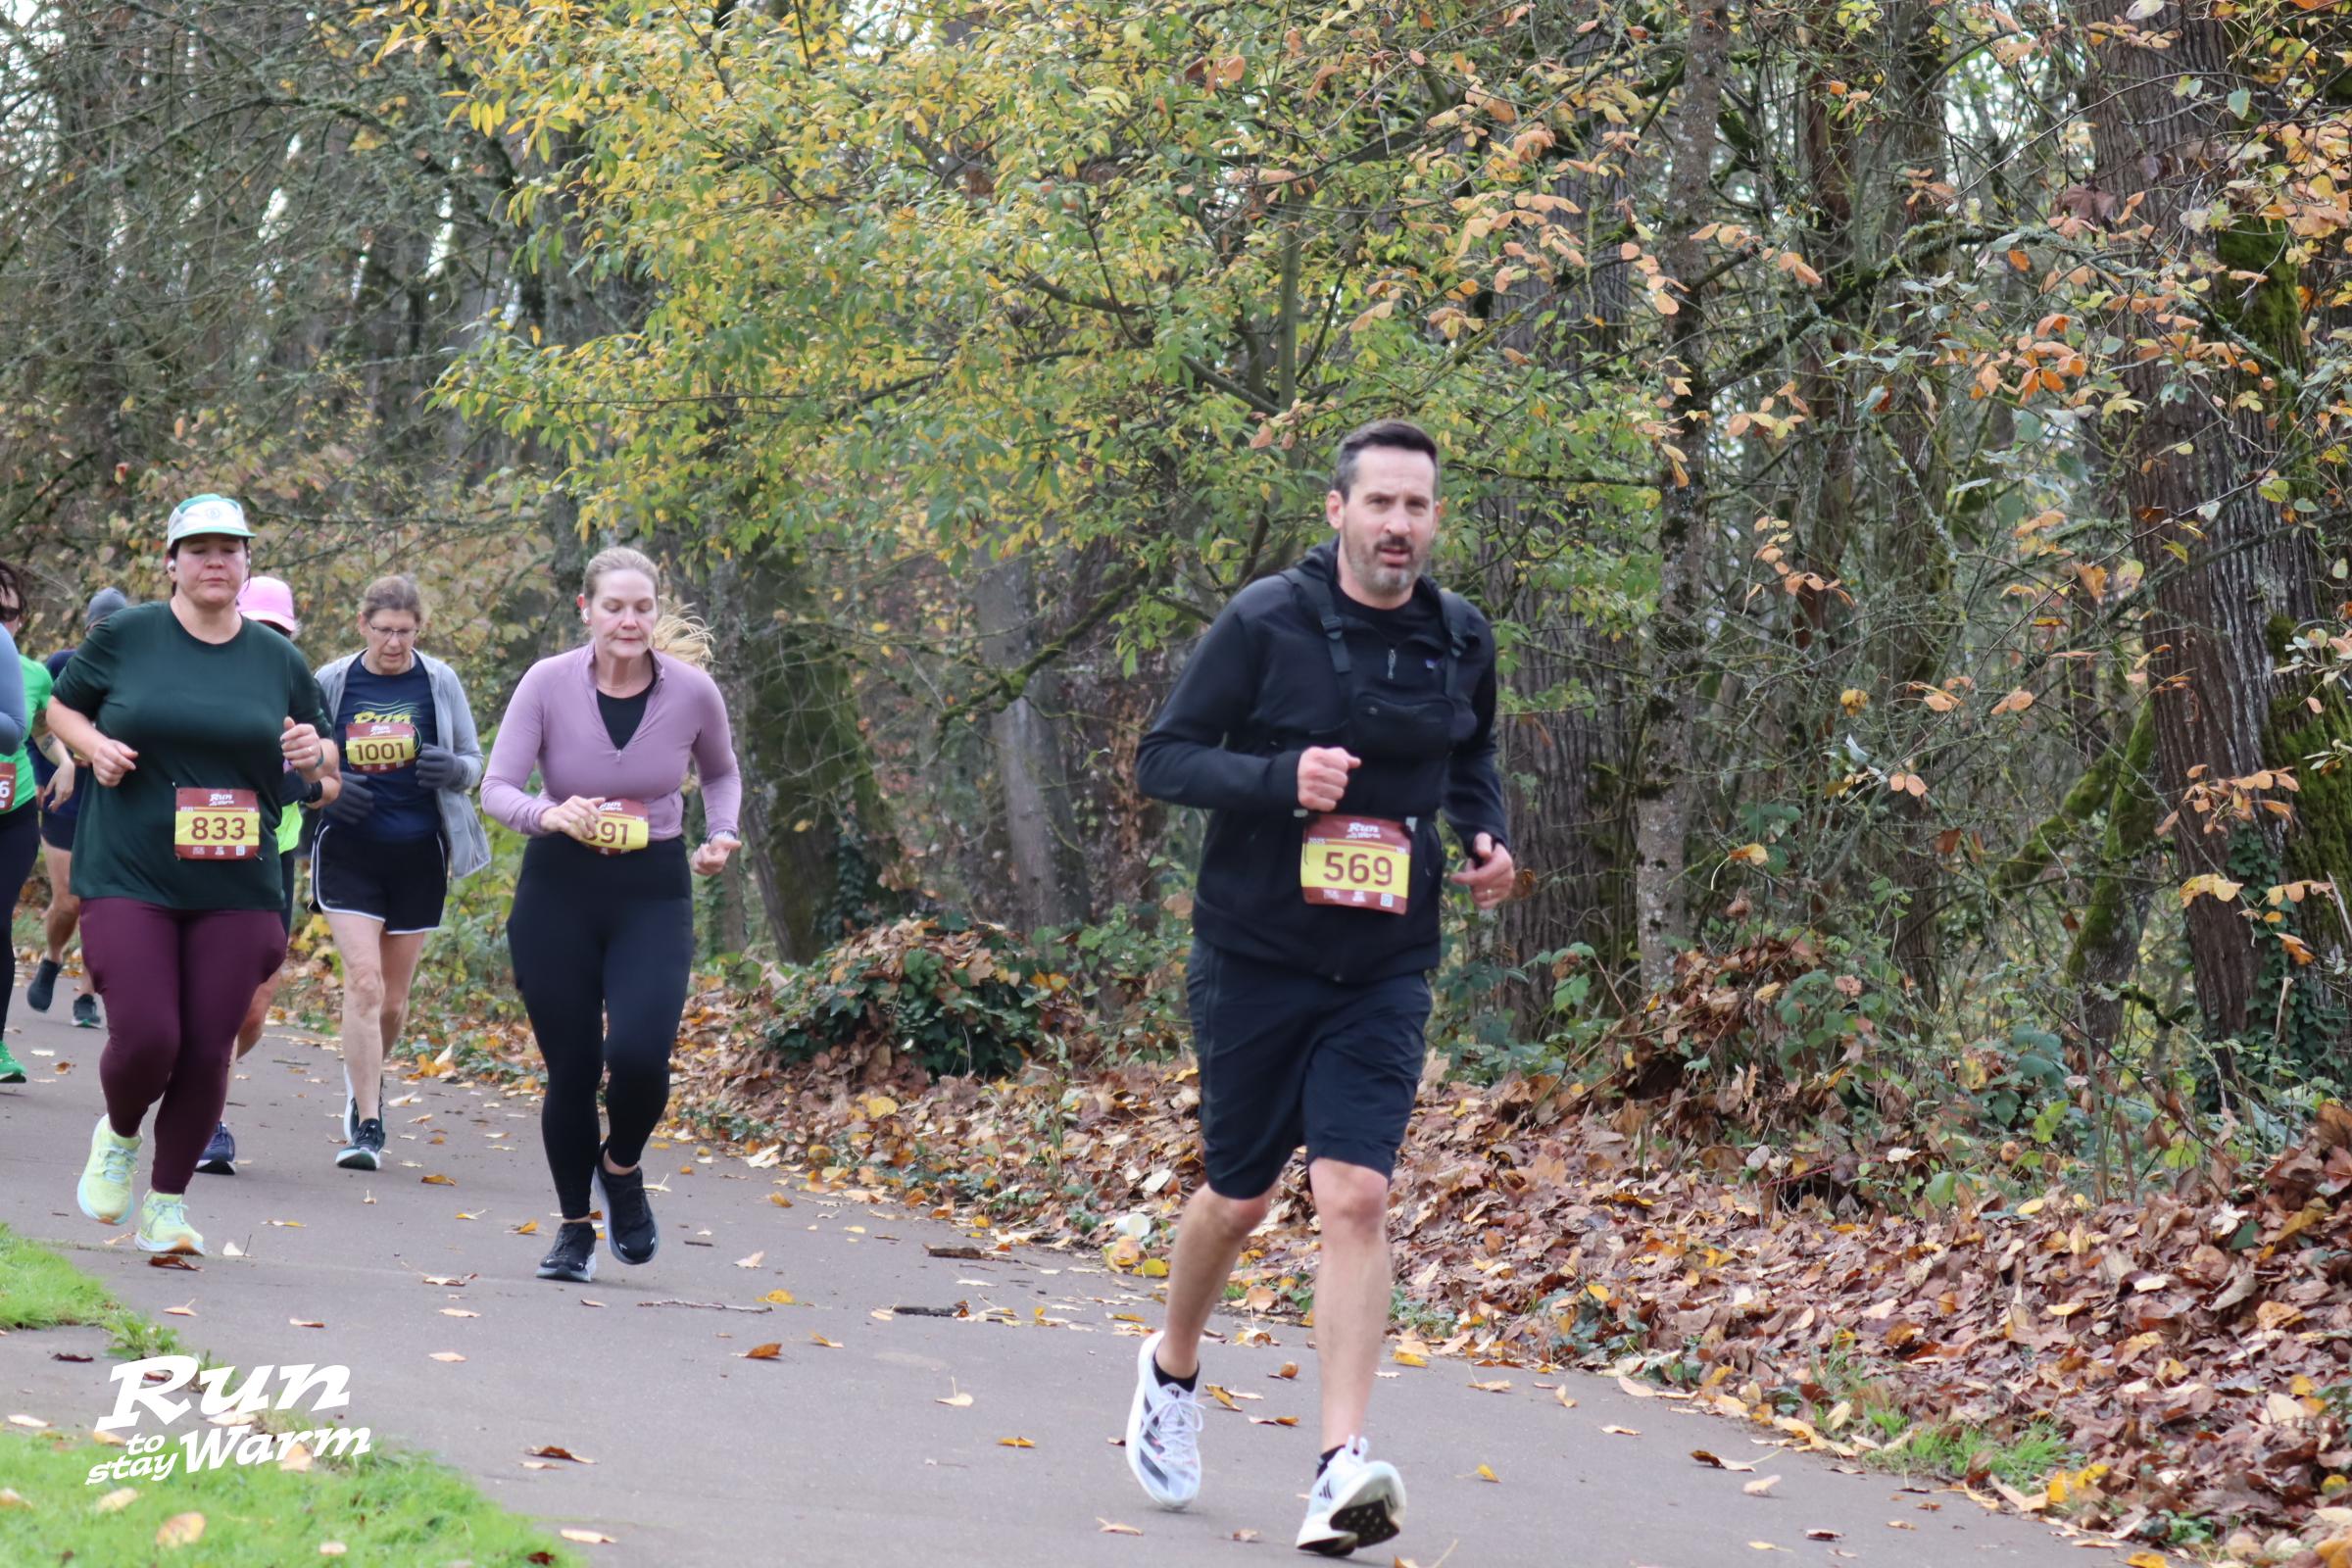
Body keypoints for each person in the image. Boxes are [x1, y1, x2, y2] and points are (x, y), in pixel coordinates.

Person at [1123, 420, 1516, 1555]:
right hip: (1255, 954)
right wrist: (1278, 777)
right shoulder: (1264, 621)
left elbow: (1472, 756)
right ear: (1337, 511)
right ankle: (1171, 1369)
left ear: (1436, 521)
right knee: (1240, 1196)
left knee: (1356, 1196)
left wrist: (1484, 834)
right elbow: (1162, 759)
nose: (1399, 525)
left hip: (1385, 963)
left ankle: (1340, 1467)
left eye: (1417, 506)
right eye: (1380, 503)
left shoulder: (1461, 636)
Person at [48, 496, 336, 1255]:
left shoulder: (278, 659)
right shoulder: (127, 636)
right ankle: (119, 1135)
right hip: (130, 871)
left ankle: (167, 1206)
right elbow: (63, 711)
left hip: (237, 883)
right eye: (199, 549)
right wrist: (93, 748)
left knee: (209, 1048)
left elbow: (326, 758)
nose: (215, 561)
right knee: (149, 1035)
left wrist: (314, 756)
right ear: (170, 563)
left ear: (247, 564)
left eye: (229, 549)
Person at [482, 546, 741, 1285]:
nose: (629, 620)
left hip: (651, 889)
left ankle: (620, 1167)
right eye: (615, 607)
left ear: (657, 612)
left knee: (638, 1057)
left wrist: (722, 834)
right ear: (587, 611)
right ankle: (574, 1229)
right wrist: (547, 813)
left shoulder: (692, 692)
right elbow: (497, 786)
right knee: (571, 1068)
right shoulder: (546, 683)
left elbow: (721, 771)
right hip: (558, 889)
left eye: (642, 607)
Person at [304, 573, 488, 1171]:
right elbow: (301, 761)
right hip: (348, 850)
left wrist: (450, 770)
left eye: (405, 632)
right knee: (364, 983)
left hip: (419, 854)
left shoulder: (440, 681)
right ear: (362, 625)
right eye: (383, 630)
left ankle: (369, 1078)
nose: (393, 643)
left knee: (393, 1002)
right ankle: (367, 1121)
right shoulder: (332, 681)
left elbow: (475, 763)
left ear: (419, 629)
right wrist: (326, 795)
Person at [198, 575, 345, 1175]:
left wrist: (305, 788)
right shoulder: (196, 674)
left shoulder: (298, 687)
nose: (267, 639)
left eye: (279, 631)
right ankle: (205, 1115)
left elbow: (332, 779)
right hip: (190, 852)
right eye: (258, 626)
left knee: (254, 1005)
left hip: (269, 856)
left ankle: (202, 1086)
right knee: (195, 991)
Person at [25, 586, 128, 1032]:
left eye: (115, 628)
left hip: (117, 800)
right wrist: (44, 774)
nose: (107, 636)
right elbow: (38, 725)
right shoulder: (62, 666)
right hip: (65, 796)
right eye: (99, 628)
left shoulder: (140, 672)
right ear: (87, 630)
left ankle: (87, 994)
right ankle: (52, 956)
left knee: (100, 903)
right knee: (68, 900)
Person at [0, 566, 33, 1083]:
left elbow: (17, 731)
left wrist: (65, 761)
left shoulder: (7, 652)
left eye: (8, 614)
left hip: (10, 812)